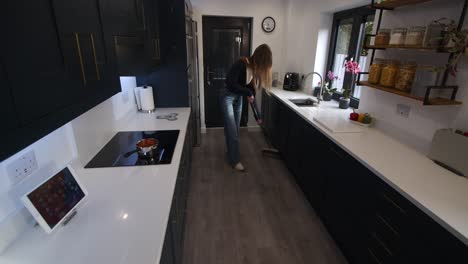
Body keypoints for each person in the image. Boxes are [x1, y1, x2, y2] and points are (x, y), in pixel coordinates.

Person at [221, 44, 273, 171]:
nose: (263, 69)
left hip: (238, 98)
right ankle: (235, 161)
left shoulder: (253, 69)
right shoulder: (241, 63)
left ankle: (230, 153)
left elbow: (251, 94)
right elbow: (231, 83)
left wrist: (258, 116)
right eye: (264, 65)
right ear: (260, 59)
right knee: (232, 130)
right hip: (227, 96)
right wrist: (248, 93)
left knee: (234, 130)